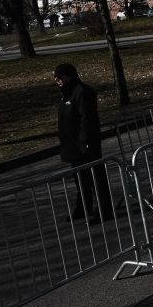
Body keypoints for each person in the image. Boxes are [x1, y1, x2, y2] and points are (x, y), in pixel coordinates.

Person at [54, 63, 112, 222]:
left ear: (69, 76)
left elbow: (87, 119)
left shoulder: (82, 92)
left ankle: (103, 209)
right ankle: (83, 207)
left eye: (60, 77)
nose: (57, 80)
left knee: (95, 179)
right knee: (80, 179)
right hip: (72, 145)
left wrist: (84, 142)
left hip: (85, 144)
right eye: (56, 77)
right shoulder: (66, 93)